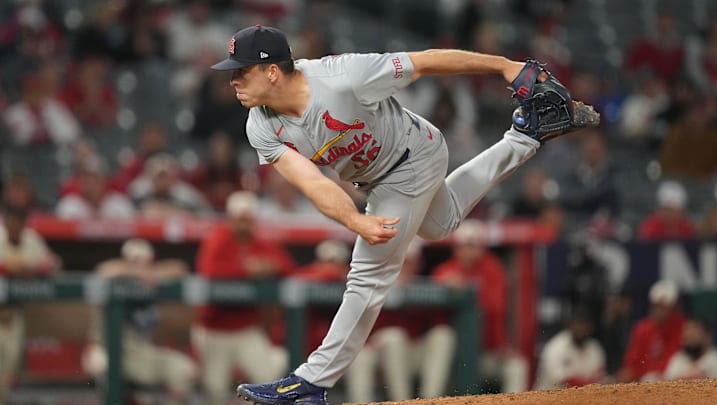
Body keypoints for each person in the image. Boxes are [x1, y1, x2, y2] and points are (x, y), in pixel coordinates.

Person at [210, 25, 598, 404]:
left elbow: (425, 61)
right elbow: (313, 183)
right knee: (438, 225)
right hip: (377, 180)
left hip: (409, 158)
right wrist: (355, 220)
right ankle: (527, 134)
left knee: (368, 275)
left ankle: (311, 382)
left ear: (272, 71)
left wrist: (504, 66)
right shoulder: (259, 124)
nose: (233, 81)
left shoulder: (344, 77)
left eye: (241, 71)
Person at [192, 190, 294, 405]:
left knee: (268, 379)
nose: (243, 225)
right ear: (230, 219)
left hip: (246, 327)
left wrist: (269, 266)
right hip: (214, 329)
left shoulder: (259, 243)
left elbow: (287, 266)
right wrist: (247, 269)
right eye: (239, 220)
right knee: (215, 390)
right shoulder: (218, 238)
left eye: (247, 220)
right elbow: (210, 270)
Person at [82, 239, 195, 405]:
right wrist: (137, 272)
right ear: (125, 261)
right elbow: (103, 270)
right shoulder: (112, 279)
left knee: (184, 369)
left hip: (140, 353)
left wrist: (151, 274)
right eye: (134, 261)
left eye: (145, 262)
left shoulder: (152, 282)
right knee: (103, 366)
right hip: (105, 350)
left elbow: (180, 268)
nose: (140, 266)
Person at [347, 239, 455, 402]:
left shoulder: (427, 285)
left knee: (443, 335)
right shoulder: (376, 284)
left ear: (419, 263)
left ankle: (431, 400)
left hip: (413, 353)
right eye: (402, 262)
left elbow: (438, 322)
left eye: (410, 262)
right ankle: (402, 401)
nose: (405, 267)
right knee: (394, 337)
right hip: (382, 353)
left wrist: (443, 285)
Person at [431, 219, 527, 393]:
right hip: (454, 357)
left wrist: (467, 287)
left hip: (485, 354)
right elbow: (434, 286)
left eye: (474, 245)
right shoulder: (446, 270)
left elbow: (496, 307)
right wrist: (446, 285)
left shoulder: (492, 268)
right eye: (465, 245)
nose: (469, 250)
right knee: (441, 341)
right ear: (456, 248)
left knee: (517, 366)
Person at [0, 204, 59, 403]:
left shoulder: (31, 239)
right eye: (10, 222)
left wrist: (31, 268)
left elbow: (52, 263)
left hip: (13, 314)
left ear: (25, 224)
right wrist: (14, 267)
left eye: (18, 222)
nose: (13, 226)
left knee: (7, 371)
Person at [617, 280, 685, 383]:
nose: (659, 311)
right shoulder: (642, 329)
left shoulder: (681, 328)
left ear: (673, 309)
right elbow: (632, 362)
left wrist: (657, 375)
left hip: (670, 381)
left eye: (664, 308)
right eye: (656, 306)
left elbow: (676, 360)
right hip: (643, 381)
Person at [534, 311, 606, 390]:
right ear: (570, 325)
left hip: (582, 398)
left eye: (584, 325)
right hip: (550, 397)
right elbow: (564, 380)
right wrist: (589, 385)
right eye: (578, 324)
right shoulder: (556, 347)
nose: (581, 329)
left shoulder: (595, 348)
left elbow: (600, 377)